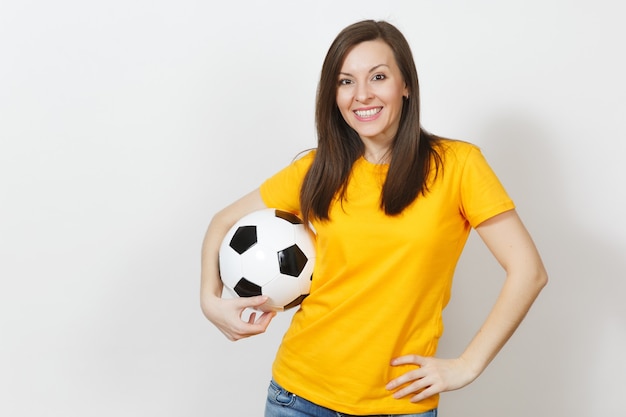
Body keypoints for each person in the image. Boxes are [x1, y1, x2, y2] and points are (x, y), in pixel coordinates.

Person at [200, 19, 548, 417]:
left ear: (406, 85)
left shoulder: (458, 165)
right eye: (345, 81)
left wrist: (468, 365)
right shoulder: (318, 168)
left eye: (378, 77)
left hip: (398, 405)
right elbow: (221, 222)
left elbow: (529, 270)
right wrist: (210, 301)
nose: (361, 95)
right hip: (297, 397)